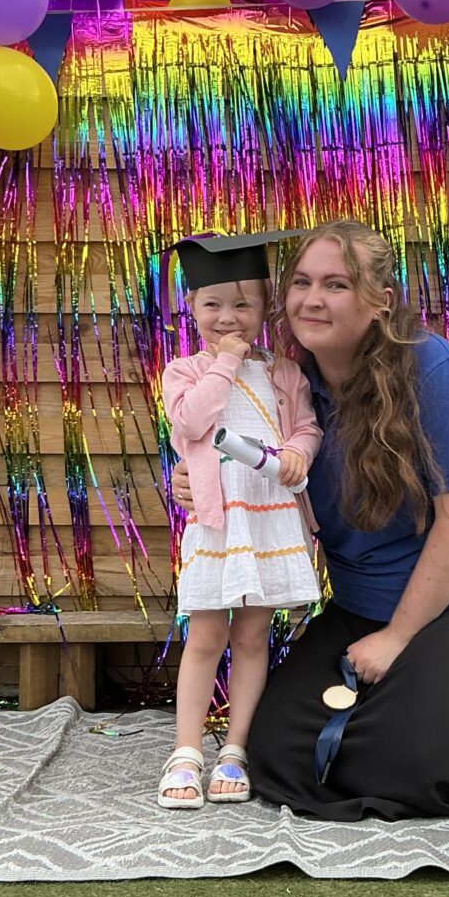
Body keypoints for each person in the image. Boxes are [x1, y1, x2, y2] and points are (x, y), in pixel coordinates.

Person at [172, 220, 449, 821]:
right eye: (301, 282)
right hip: (364, 599)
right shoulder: (288, 383)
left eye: (336, 284)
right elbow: (238, 453)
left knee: (424, 766)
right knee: (275, 751)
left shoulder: (432, 371)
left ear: (380, 301)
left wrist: (397, 639)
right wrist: (193, 479)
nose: (313, 299)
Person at [158, 232, 323, 810]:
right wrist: (226, 360)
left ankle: (236, 748)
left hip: (269, 516)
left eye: (242, 304)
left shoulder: (284, 372)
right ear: (192, 306)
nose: (227, 316)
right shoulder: (183, 372)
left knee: (253, 636)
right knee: (206, 634)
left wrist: (299, 450)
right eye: (213, 304)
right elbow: (192, 423)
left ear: (264, 307)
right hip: (217, 521)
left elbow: (306, 425)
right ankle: (186, 751)